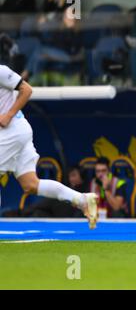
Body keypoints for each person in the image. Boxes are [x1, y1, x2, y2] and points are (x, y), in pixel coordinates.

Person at [0, 65, 98, 227]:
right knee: (31, 184)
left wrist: (8, 116)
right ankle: (81, 200)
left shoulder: (1, 70)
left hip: (12, 131)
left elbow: (27, 90)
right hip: (17, 132)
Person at [21, 7, 83, 81]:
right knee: (40, 55)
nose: (66, 17)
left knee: (41, 51)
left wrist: (70, 29)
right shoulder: (62, 28)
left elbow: (72, 49)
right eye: (66, 15)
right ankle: (33, 79)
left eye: (69, 15)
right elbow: (54, 42)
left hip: (69, 56)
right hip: (59, 53)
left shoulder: (77, 31)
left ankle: (27, 75)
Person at [3, 165, 88, 218]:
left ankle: (19, 213)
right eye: (70, 176)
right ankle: (20, 214)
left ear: (82, 176)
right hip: (52, 213)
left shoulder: (86, 189)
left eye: (74, 175)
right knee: (37, 213)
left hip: (67, 213)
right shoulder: (67, 187)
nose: (71, 179)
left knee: (52, 200)